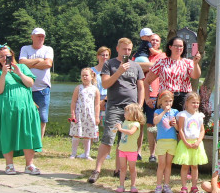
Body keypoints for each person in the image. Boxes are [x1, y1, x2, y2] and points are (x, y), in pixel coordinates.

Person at [89, 38, 145, 184]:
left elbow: (141, 87)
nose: (126, 52)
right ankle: (97, 170)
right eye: (124, 49)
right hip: (114, 106)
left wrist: (139, 105)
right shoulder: (109, 64)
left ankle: (119, 170)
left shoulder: (136, 66)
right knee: (108, 136)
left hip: (131, 108)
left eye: (129, 49)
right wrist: (119, 70)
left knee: (125, 140)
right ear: (117, 49)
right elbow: (106, 84)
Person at [0, 45, 42, 175]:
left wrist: (19, 73)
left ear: (12, 55)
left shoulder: (22, 67)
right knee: (7, 135)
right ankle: (9, 165)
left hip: (25, 109)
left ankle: (29, 165)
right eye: (1, 57)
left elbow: (30, 84)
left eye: (7, 56)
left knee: (28, 134)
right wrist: (4, 74)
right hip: (5, 110)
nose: (5, 59)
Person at [145, 35, 201, 113]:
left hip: (183, 97)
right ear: (170, 47)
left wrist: (195, 63)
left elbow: (196, 76)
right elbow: (147, 81)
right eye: (176, 46)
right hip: (165, 97)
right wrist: (147, 99)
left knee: (182, 123)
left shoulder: (188, 62)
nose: (178, 48)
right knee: (165, 123)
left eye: (181, 46)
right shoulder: (161, 62)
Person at [19, 27, 54, 138]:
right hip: (26, 88)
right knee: (26, 115)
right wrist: (39, 60)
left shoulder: (48, 49)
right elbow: (21, 63)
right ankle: (26, 138)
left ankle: (39, 140)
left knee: (42, 117)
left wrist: (30, 64)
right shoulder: (25, 48)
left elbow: (48, 64)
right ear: (32, 37)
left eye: (42, 36)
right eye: (38, 36)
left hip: (43, 89)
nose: (40, 38)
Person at [174, 91, 208, 193]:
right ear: (187, 103)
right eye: (193, 102)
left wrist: (198, 141)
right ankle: (184, 186)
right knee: (185, 166)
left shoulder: (199, 116)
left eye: (197, 103)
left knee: (194, 166)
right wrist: (185, 142)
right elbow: (181, 130)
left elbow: (202, 130)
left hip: (196, 143)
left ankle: (194, 186)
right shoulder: (183, 115)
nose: (195, 105)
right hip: (186, 143)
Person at [138, 33, 165, 162]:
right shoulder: (141, 52)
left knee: (151, 124)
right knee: (138, 124)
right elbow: (132, 66)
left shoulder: (162, 55)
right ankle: (136, 152)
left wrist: (144, 66)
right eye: (151, 40)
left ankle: (152, 154)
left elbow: (156, 67)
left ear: (160, 43)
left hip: (154, 94)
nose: (153, 42)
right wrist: (149, 66)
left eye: (156, 40)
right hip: (138, 94)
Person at [68, 67, 100, 159]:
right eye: (83, 76)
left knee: (88, 135)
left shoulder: (95, 89)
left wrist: (97, 117)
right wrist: (73, 114)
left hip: (89, 115)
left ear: (91, 77)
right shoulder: (78, 88)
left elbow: (97, 104)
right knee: (77, 134)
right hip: (79, 114)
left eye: (86, 75)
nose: (84, 77)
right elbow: (73, 101)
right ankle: (73, 153)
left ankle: (87, 154)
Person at [112, 102, 143, 193]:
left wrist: (121, 129)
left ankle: (133, 185)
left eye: (126, 112)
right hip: (123, 149)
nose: (124, 114)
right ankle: (121, 185)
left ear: (132, 114)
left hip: (132, 150)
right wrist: (117, 128)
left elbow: (131, 132)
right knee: (122, 168)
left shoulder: (136, 124)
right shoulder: (125, 122)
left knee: (132, 168)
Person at [152, 90, 178, 193]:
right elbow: (155, 121)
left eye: (170, 101)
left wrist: (175, 124)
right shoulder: (158, 112)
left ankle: (166, 185)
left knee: (168, 164)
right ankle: (158, 185)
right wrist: (163, 112)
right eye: (166, 101)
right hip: (162, 141)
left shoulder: (175, 112)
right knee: (161, 164)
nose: (168, 103)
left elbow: (178, 128)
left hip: (172, 140)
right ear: (161, 102)